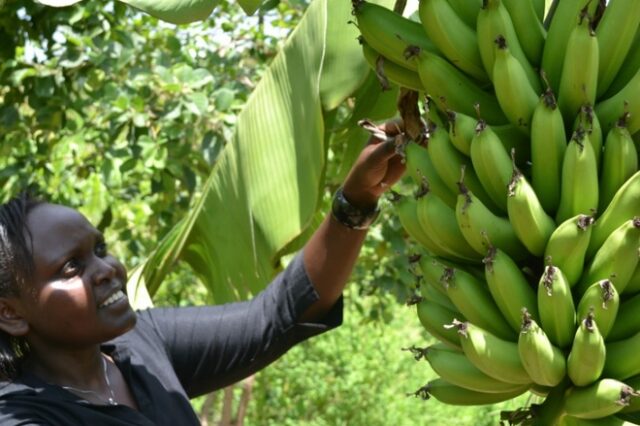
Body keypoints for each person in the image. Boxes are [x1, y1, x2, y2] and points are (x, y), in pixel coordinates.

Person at [0, 120, 405, 425]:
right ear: (12, 313)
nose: (107, 270)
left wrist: (358, 197)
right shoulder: (21, 415)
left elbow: (279, 314)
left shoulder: (142, 346)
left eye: (100, 250)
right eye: (72, 267)